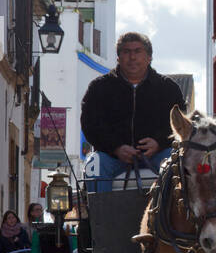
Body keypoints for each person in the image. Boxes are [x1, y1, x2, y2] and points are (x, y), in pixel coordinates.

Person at [80, 32, 188, 191]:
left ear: (149, 57)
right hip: (111, 158)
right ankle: (100, 215)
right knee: (94, 165)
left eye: (138, 51)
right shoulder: (99, 88)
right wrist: (116, 147)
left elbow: (180, 124)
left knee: (178, 162)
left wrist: (158, 143)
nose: (132, 57)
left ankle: (172, 215)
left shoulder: (169, 89)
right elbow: (90, 125)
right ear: (118, 57)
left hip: (159, 154)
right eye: (126, 52)